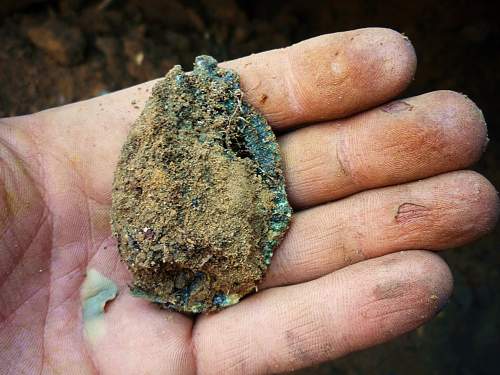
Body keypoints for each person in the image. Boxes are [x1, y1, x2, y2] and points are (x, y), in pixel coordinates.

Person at [0, 28, 497, 374]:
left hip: (213, 242)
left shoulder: (207, 118)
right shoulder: (182, 126)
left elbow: (259, 179)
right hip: (171, 252)